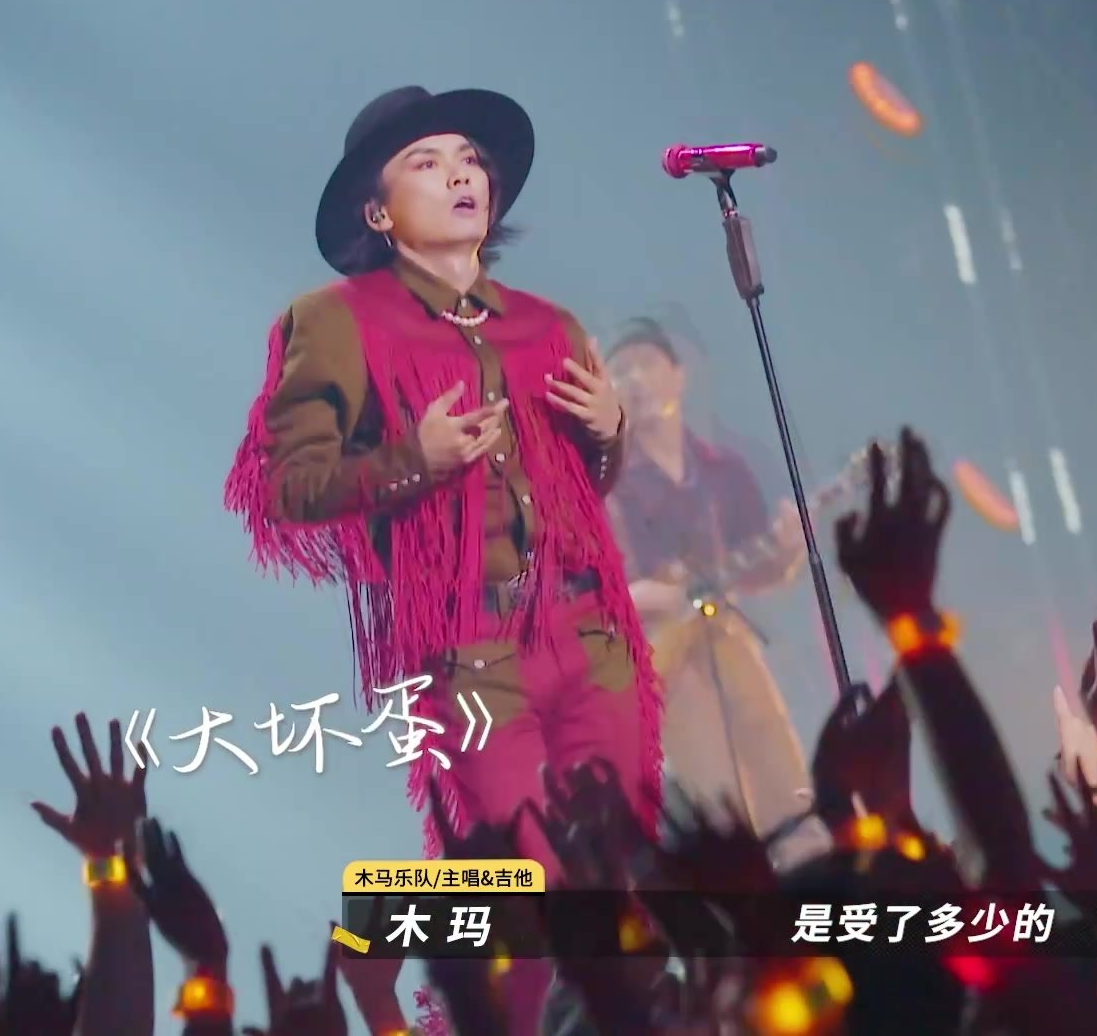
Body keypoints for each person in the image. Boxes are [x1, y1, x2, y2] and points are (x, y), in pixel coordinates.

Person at [224, 86, 661, 865]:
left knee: (619, 866)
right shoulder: (334, 321)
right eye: (426, 163)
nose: (460, 175)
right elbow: (287, 488)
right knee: (525, 872)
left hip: (589, 628)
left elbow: (583, 487)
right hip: (469, 648)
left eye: (470, 159)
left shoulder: (547, 323)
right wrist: (414, 463)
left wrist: (609, 431)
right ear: (377, 213)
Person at [601, 315, 818, 845]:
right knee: (719, 798)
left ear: (678, 376)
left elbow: (757, 567)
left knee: (783, 773)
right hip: (664, 659)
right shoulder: (606, 485)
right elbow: (585, 590)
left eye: (647, 364)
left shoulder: (723, 470)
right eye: (621, 371)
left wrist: (789, 546)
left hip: (727, 638)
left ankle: (810, 867)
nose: (636, 379)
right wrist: (635, 595)